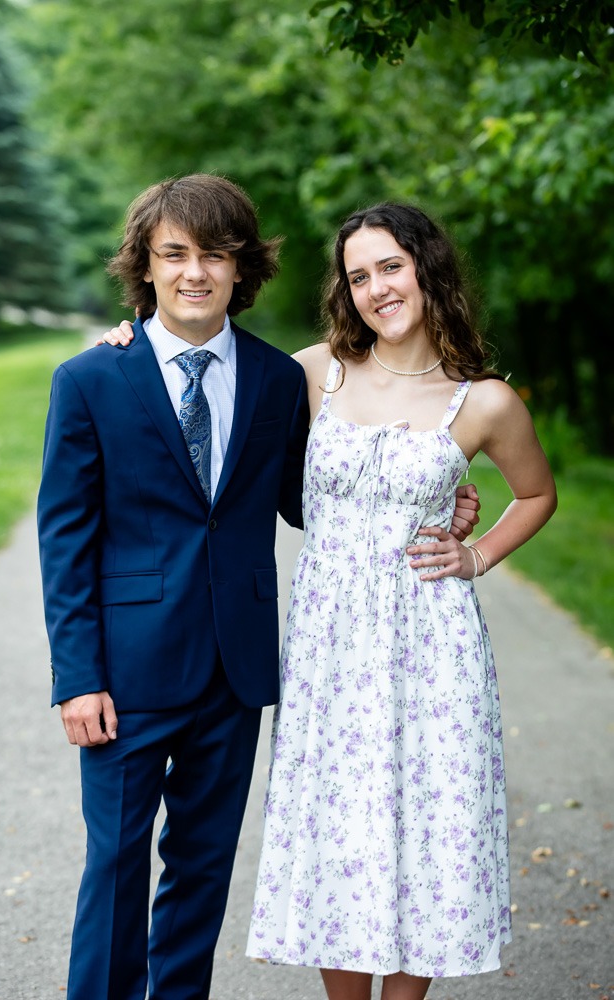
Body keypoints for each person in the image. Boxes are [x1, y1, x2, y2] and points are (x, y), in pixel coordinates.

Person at [79, 180, 479, 1000]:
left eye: (214, 254)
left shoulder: (275, 377)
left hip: (236, 674)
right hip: (127, 669)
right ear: (144, 268)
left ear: (242, 268)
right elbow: (66, 540)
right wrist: (76, 676)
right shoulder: (95, 376)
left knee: (201, 869)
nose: (194, 272)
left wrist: (437, 499)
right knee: (115, 864)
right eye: (173, 255)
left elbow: (310, 497)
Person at [243, 203, 557, 1000]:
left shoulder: (481, 401)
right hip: (328, 646)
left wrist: (476, 553)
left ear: (426, 269)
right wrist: (129, 337)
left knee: (430, 826)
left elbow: (535, 494)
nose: (376, 288)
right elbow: (211, 371)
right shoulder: (314, 371)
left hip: (432, 643)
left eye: (390, 266)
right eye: (358, 276)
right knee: (339, 829)